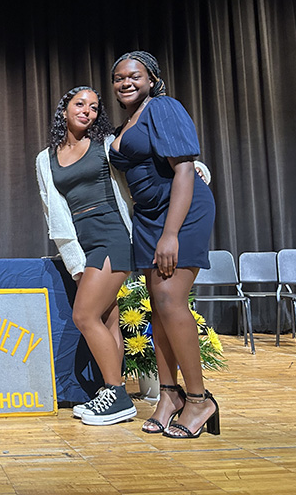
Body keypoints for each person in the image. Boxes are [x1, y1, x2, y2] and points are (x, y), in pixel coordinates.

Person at [108, 51, 219, 438]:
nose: (125, 82)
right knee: (158, 309)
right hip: (147, 217)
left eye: (134, 76)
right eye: (118, 78)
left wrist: (171, 233)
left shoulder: (163, 108)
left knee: (172, 301)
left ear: (152, 79)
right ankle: (168, 394)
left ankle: (199, 398)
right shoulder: (126, 124)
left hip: (180, 211)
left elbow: (185, 169)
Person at [36, 86, 136, 426]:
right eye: (80, 104)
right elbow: (55, 214)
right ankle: (110, 394)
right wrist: (74, 259)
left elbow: (144, 164)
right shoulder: (45, 159)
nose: (87, 111)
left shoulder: (106, 145)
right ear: (65, 109)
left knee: (84, 315)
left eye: (94, 107)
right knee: (107, 318)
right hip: (84, 242)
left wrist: (192, 167)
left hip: (112, 236)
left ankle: (117, 394)